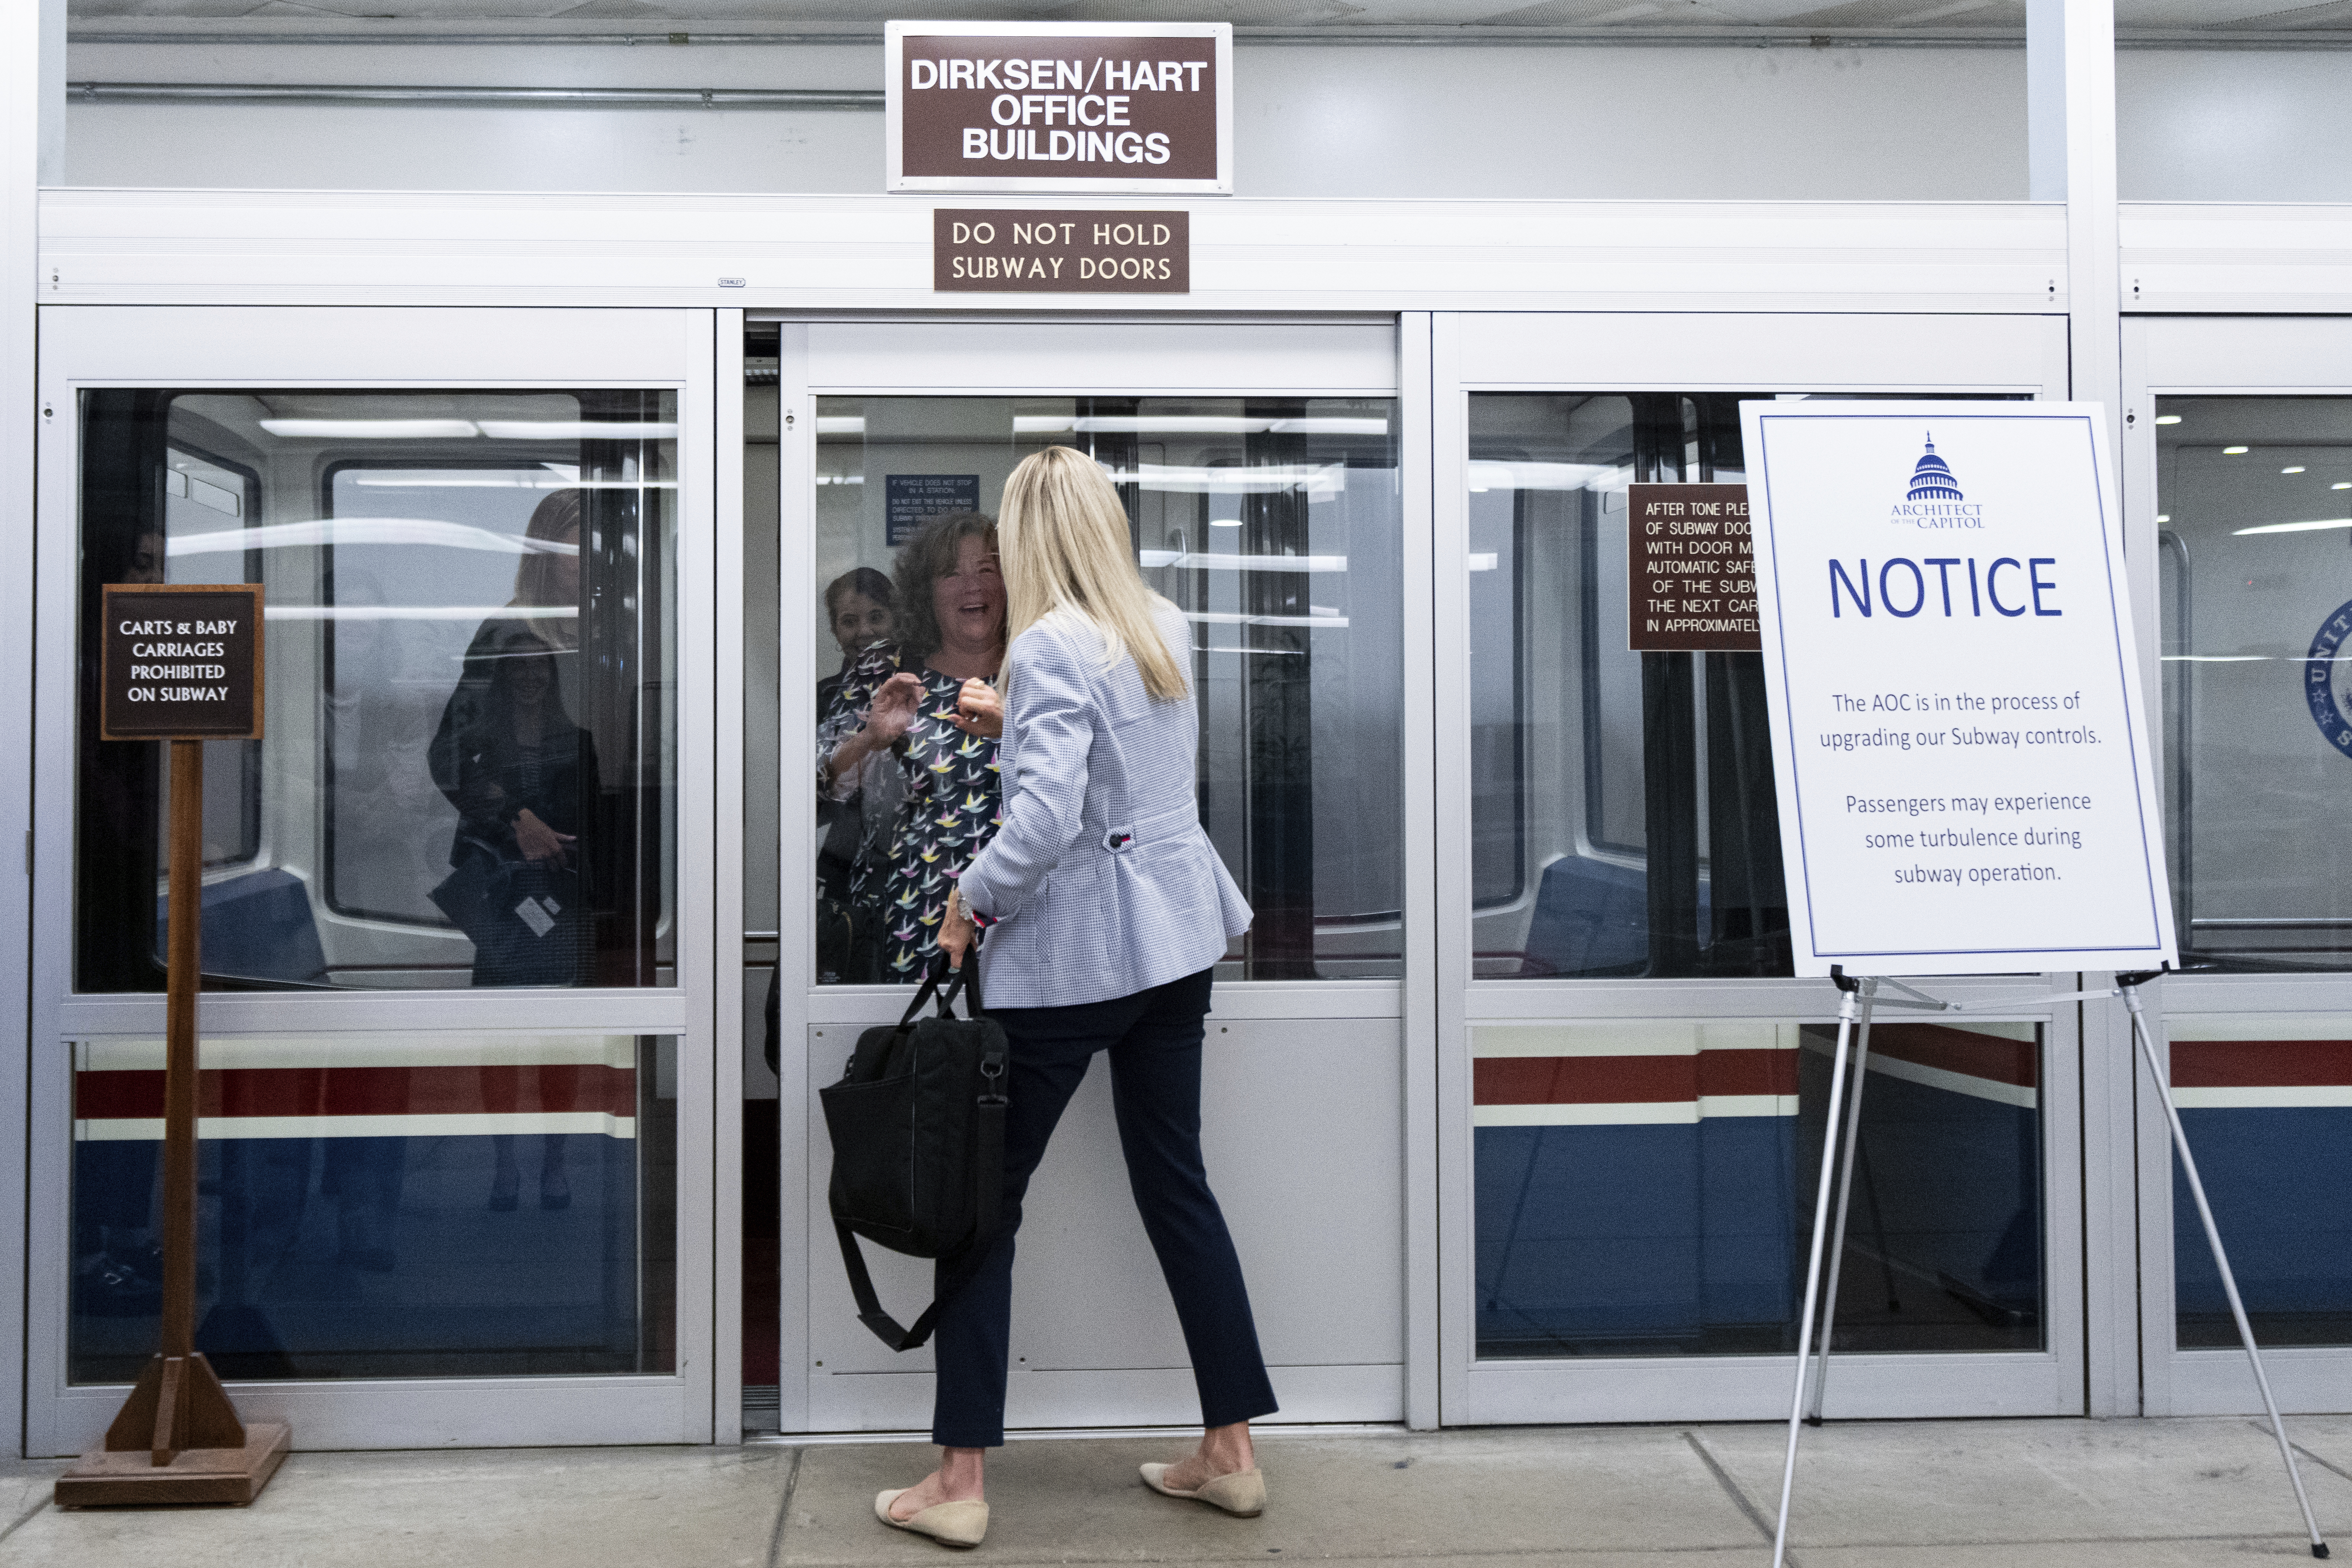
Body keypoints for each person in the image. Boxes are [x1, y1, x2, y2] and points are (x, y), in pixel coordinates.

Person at [876, 447, 1264, 1549]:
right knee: (1178, 1188)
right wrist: (1013, 735)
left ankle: (959, 1478)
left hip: (1078, 964)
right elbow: (1120, 781)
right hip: (1176, 947)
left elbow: (1044, 828)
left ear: (1031, 537)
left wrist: (966, 903)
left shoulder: (1047, 645)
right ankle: (1230, 1451)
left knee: (978, 1207)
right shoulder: (1159, 622)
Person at [817, 514, 1007, 980]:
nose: (972, 587)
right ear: (926, 591)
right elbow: (812, 790)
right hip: (908, 908)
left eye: (987, 571)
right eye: (952, 574)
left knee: (1021, 1048)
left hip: (1022, 909)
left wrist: (1014, 728)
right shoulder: (884, 667)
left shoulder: (1042, 659)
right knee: (922, 1052)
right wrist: (869, 740)